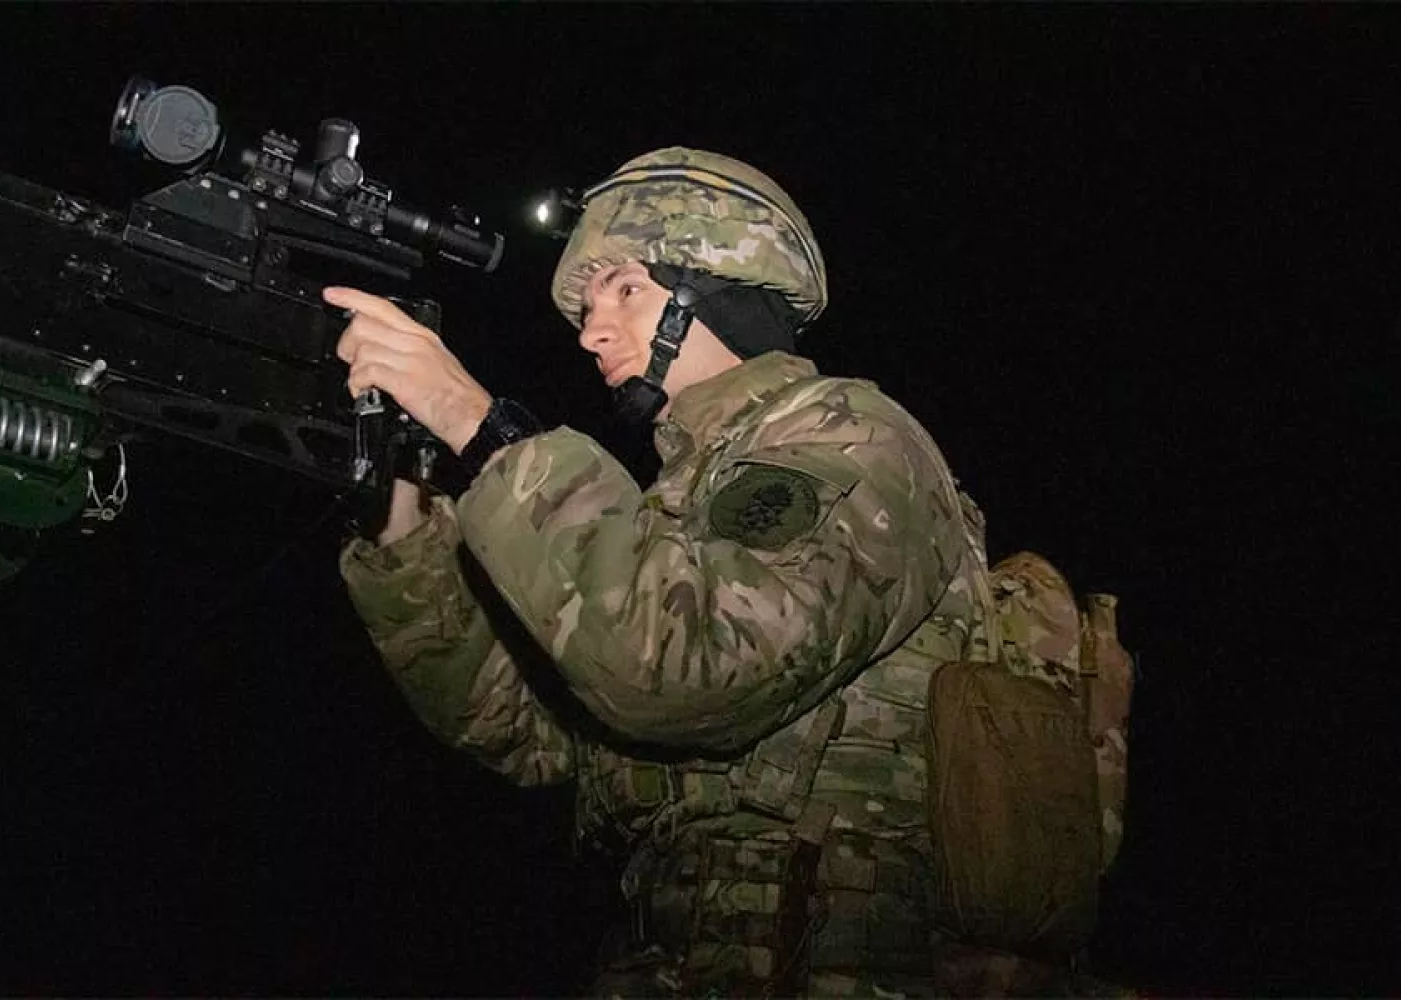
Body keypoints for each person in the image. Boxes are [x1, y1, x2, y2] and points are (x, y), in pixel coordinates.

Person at [332, 147, 1012, 996]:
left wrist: (480, 424)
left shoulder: (856, 438)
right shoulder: (674, 509)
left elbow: (682, 667)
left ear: (717, 286)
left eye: (624, 288)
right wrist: (403, 525)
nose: (591, 331)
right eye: (586, 305)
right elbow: (524, 730)